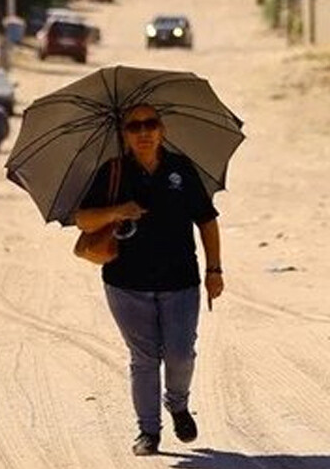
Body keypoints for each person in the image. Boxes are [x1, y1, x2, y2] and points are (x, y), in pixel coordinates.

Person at [73, 104, 224, 456]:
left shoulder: (181, 170)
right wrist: (116, 211)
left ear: (163, 130)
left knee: (180, 354)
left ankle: (178, 404)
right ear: (124, 135)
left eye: (151, 124)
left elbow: (207, 220)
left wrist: (214, 270)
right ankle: (148, 432)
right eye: (135, 126)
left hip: (181, 281)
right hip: (126, 284)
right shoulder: (112, 173)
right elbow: (82, 219)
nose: (144, 132)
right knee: (143, 358)